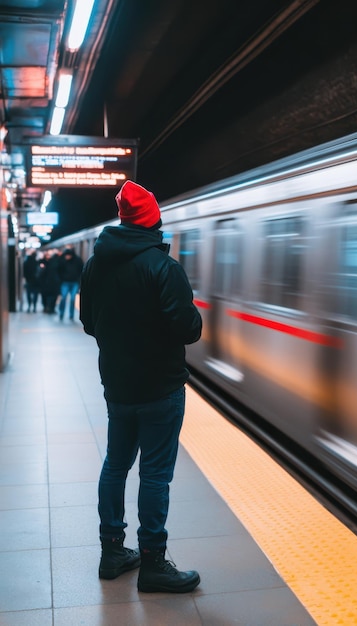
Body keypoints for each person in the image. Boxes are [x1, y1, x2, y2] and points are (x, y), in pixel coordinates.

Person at [79, 180, 202, 593]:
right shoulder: (163, 268)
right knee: (154, 474)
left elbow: (89, 323)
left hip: (118, 386)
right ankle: (153, 562)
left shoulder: (96, 264)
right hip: (161, 389)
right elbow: (189, 330)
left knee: (116, 464)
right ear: (153, 221)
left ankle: (112, 550)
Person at [57, 247, 84, 320]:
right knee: (63, 298)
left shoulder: (77, 260)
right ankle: (61, 313)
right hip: (65, 282)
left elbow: (81, 270)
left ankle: (71, 315)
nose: (67, 257)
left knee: (72, 299)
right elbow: (59, 270)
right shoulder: (62, 260)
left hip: (74, 282)